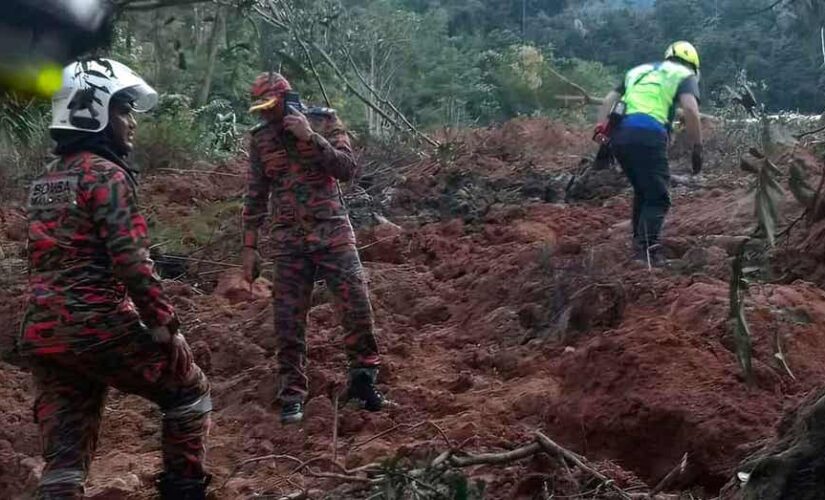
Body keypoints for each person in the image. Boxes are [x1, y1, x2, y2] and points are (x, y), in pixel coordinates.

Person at [19, 58, 211, 500]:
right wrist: (164, 326)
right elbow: (131, 261)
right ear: (97, 112)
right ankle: (185, 491)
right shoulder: (106, 174)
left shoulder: (46, 179)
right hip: (97, 324)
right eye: (123, 111)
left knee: (64, 462)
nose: (131, 124)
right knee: (188, 392)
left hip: (42, 333)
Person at [242, 72, 385, 424]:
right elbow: (256, 194)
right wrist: (249, 246)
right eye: (260, 109)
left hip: (332, 232)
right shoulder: (260, 140)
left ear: (287, 100)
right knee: (287, 321)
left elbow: (348, 169)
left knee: (356, 306)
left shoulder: (324, 120)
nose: (265, 115)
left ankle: (363, 380)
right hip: (289, 241)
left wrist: (311, 137)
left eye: (270, 107)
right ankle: (292, 394)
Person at [596, 41, 704, 266]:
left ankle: (638, 246)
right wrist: (697, 148)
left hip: (619, 136)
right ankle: (646, 253)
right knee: (658, 197)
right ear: (692, 65)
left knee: (643, 191)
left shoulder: (638, 70)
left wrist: (600, 132)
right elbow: (691, 109)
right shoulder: (684, 75)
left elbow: (608, 101)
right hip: (648, 134)